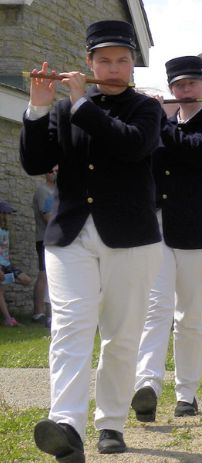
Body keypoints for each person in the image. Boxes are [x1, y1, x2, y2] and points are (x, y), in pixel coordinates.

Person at [21, 20, 163, 460]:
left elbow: (131, 147)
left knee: (121, 336)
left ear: (133, 65)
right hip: (71, 235)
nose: (114, 68)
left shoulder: (147, 109)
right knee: (69, 327)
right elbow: (35, 162)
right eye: (105, 60)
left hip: (131, 238)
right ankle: (65, 425)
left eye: (122, 60)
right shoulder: (65, 110)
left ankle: (112, 423)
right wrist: (40, 108)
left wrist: (81, 102)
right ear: (88, 61)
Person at [131, 55, 202, 424]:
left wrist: (157, 121)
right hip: (158, 233)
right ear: (171, 90)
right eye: (178, 86)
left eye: (191, 84)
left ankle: (186, 393)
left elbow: (195, 151)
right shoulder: (158, 128)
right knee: (155, 310)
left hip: (200, 237)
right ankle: (147, 386)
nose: (185, 90)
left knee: (188, 316)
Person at [1, 201, 34, 327]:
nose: (10, 216)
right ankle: (8, 319)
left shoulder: (5, 229)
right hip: (0, 265)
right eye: (7, 213)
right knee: (0, 293)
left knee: (26, 280)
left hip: (7, 264)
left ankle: (5, 279)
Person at [31, 167, 56, 327]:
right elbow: (47, 217)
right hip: (44, 238)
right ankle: (38, 313)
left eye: (56, 170)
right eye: (51, 170)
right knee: (43, 274)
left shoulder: (60, 191)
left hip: (56, 238)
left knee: (53, 276)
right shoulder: (42, 190)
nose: (54, 173)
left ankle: (50, 313)